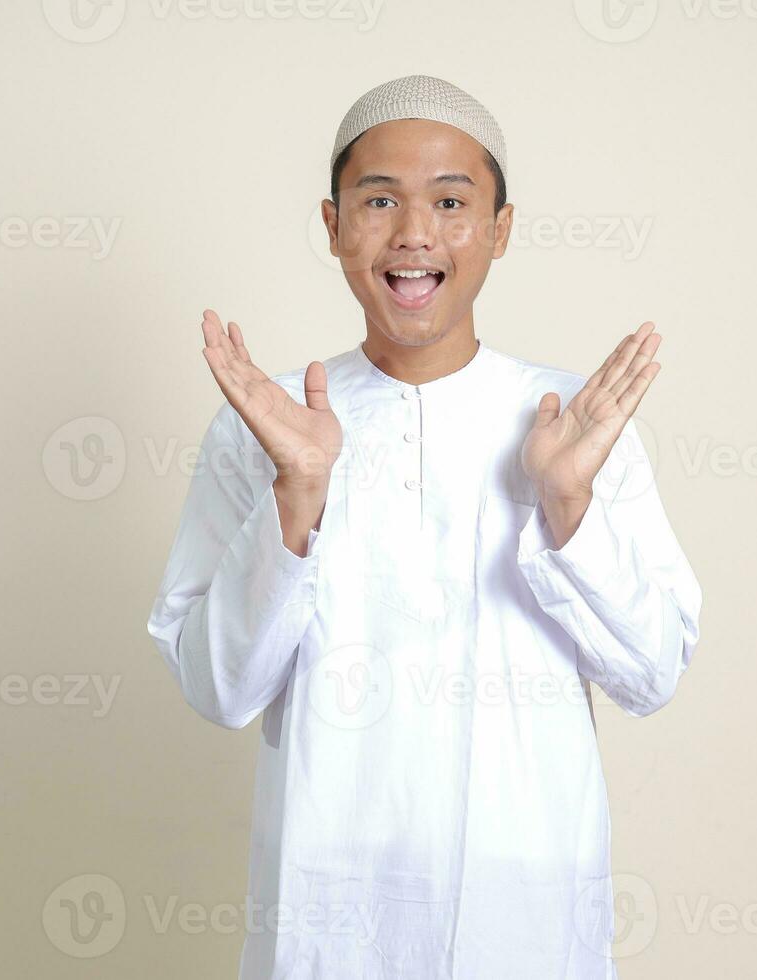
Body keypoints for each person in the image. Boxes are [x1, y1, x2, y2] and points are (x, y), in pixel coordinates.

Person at [147, 73, 703, 980]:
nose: (414, 233)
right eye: (379, 200)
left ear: (500, 228)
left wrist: (566, 505)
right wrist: (299, 493)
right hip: (331, 912)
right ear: (332, 226)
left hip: (523, 915)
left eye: (451, 201)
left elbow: (652, 672)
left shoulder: (572, 422)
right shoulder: (270, 422)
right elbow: (219, 689)